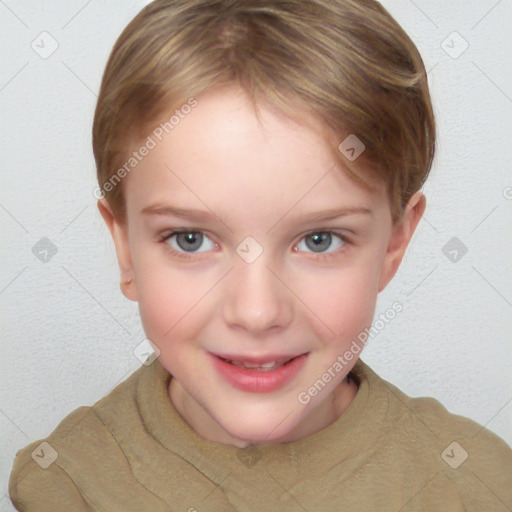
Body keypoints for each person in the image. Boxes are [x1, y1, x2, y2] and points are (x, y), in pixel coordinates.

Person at [9, 0, 512, 510]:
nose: (256, 312)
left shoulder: (479, 484)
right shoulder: (65, 485)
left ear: (395, 243)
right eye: (190, 239)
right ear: (125, 248)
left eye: (320, 240)